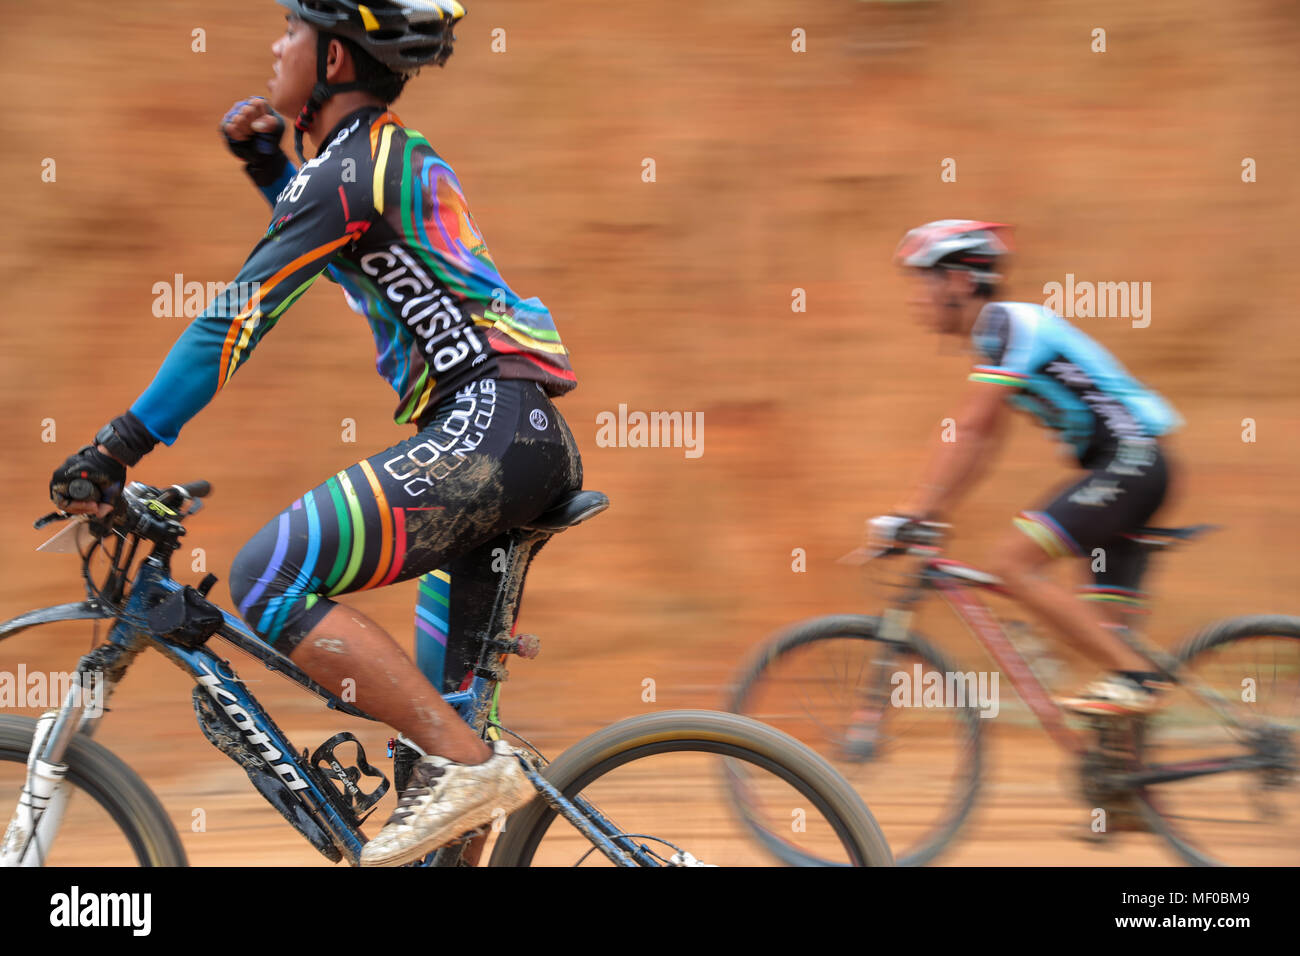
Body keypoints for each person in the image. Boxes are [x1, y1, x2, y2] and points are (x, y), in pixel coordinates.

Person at [48, 0, 582, 866]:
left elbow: (234, 321)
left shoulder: (345, 173)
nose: (275, 45)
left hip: (485, 428)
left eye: (290, 30)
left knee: (269, 574)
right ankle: (460, 772)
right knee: (434, 786)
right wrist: (271, 168)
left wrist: (117, 447)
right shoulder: (373, 163)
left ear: (333, 59)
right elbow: (359, 263)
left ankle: (464, 767)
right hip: (514, 437)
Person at [875, 220, 1182, 716]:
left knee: (1012, 566)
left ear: (957, 281)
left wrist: (913, 507)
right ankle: (1124, 780)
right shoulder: (997, 339)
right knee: (1111, 644)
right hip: (1131, 468)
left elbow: (969, 427)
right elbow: (985, 441)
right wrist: (937, 511)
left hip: (1131, 463)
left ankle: (1140, 681)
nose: (915, 297)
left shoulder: (1008, 327)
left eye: (921, 281)